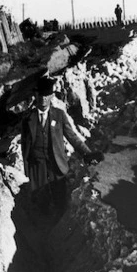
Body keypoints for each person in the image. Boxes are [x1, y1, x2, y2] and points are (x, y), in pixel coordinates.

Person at [21, 74, 103, 214]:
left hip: (56, 164)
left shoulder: (59, 115)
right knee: (41, 199)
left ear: (52, 96)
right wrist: (28, 170)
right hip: (37, 166)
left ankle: (58, 222)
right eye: (40, 95)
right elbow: (25, 147)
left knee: (60, 198)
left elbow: (72, 137)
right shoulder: (28, 118)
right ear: (35, 95)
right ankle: (43, 225)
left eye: (46, 95)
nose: (43, 99)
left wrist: (87, 153)